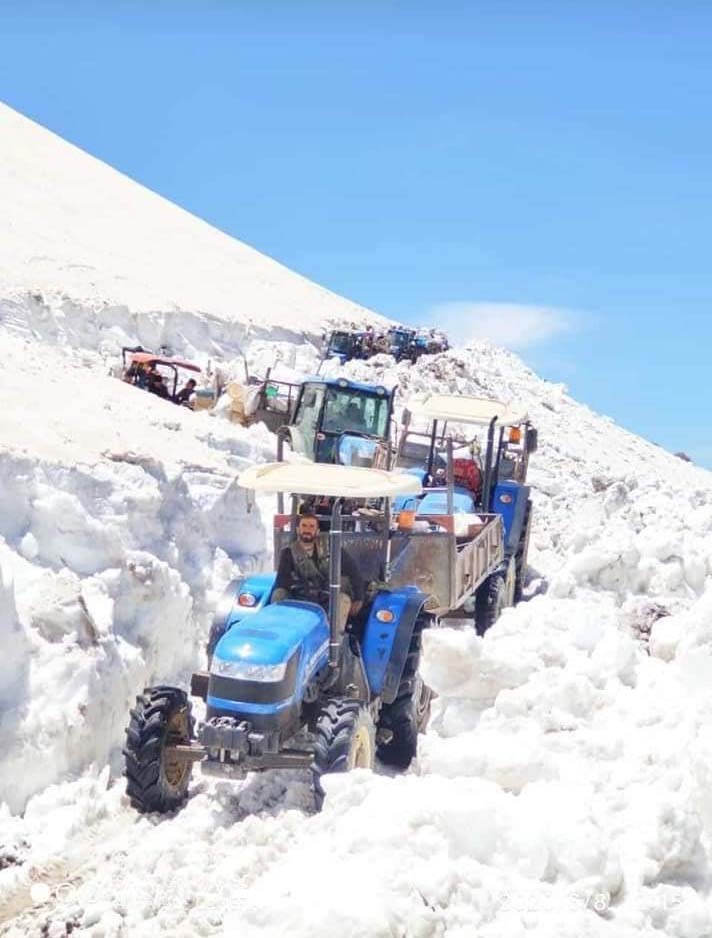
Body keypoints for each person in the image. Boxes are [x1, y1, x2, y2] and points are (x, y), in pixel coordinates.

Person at [272, 512, 364, 637]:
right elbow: (282, 581)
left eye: (311, 526)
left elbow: (354, 572)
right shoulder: (288, 553)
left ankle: (333, 645)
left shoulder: (332, 548)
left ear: (317, 530)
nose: (307, 530)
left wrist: (359, 598)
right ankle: (280, 635)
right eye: (304, 526)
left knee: (343, 600)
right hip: (302, 597)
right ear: (298, 529)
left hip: (329, 597)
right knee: (278, 594)